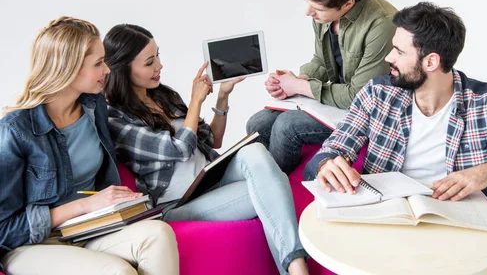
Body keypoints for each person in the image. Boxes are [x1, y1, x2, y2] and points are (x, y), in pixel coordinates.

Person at [304, 2, 487, 274]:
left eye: (398, 51)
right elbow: (335, 146)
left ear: (431, 61)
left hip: (457, 216)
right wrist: (327, 163)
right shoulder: (378, 93)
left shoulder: (486, 102)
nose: (388, 58)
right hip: (389, 216)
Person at [102, 24, 309, 275]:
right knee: (271, 186)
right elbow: (181, 150)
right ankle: (297, 267)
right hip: (178, 204)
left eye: (158, 55)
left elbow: (214, 140)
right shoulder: (117, 119)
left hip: (210, 178)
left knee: (254, 152)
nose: (159, 66)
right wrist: (195, 102)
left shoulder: (162, 96)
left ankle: (296, 267)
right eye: (149, 62)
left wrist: (222, 96)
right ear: (123, 69)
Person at [0, 17, 179, 275]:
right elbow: (4, 229)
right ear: (68, 68)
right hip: (35, 244)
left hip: (89, 228)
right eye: (98, 63)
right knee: (117, 271)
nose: (107, 70)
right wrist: (84, 206)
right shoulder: (15, 130)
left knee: (158, 234)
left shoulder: (94, 108)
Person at [246, 0, 397, 173]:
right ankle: (256, 180)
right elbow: (321, 60)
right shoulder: (324, 15)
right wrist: (297, 79)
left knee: (286, 127)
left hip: (369, 111)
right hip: (333, 100)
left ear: (348, 4)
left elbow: (360, 97)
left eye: (316, 8)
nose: (308, 13)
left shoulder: (382, 24)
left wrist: (299, 87)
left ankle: (273, 188)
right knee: (257, 124)